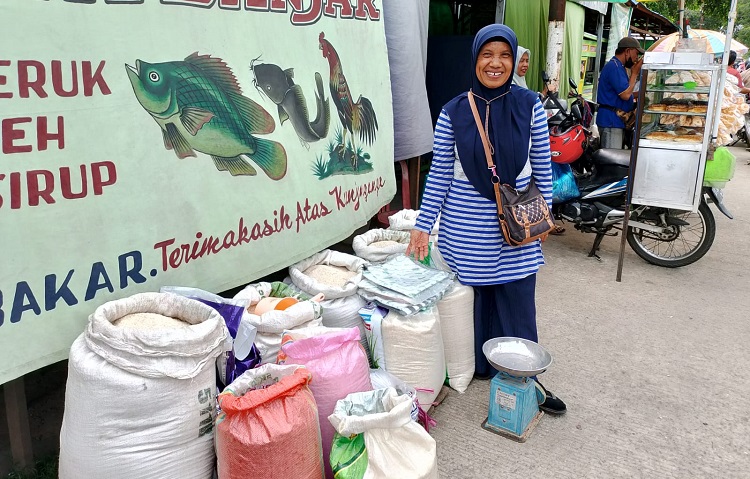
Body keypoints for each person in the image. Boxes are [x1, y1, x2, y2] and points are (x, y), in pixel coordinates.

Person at [406, 24, 566, 415]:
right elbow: (439, 173)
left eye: (504, 55)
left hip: (516, 223)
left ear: (514, 60)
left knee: (517, 297)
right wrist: (423, 225)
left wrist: (543, 215)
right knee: (474, 298)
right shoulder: (453, 111)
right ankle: (477, 364)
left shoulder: (530, 105)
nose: (496, 63)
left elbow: (542, 166)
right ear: (475, 59)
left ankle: (525, 376)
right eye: (487, 55)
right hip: (466, 225)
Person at [595, 37, 644, 149]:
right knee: (612, 157)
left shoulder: (619, 66)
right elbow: (625, 95)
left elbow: (626, 93)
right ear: (627, 51)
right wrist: (635, 73)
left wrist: (642, 93)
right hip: (611, 122)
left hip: (615, 121)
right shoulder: (614, 67)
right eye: (636, 53)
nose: (636, 58)